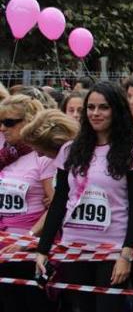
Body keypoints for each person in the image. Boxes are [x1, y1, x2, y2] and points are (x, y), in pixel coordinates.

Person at [35, 81, 133, 312]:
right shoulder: (70, 150)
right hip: (74, 245)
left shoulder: (132, 149)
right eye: (91, 107)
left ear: (116, 110)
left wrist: (126, 254)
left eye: (103, 107)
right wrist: (43, 250)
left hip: (112, 248)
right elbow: (59, 202)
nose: (95, 113)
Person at [0, 95, 55, 312]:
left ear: (29, 121)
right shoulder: (5, 156)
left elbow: (55, 206)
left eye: (9, 122)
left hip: (29, 249)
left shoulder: (42, 156)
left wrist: (29, 237)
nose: (3, 128)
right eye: (1, 122)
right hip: (3, 248)